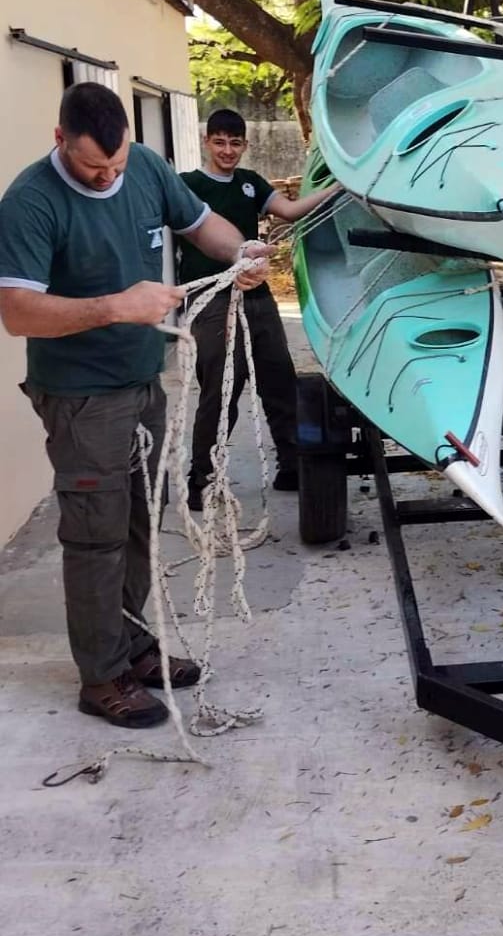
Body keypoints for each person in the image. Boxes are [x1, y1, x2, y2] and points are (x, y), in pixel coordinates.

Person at [0, 83, 272, 729]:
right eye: (96, 167)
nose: (109, 176)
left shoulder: (145, 165)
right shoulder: (30, 202)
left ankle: (132, 646)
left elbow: (201, 224)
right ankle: (101, 676)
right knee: (94, 535)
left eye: (116, 164)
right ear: (59, 138)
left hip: (143, 381)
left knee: (138, 522)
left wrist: (240, 253)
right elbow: (14, 311)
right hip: (81, 397)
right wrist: (118, 305)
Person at [177, 108, 337, 511]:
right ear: (206, 142)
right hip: (212, 299)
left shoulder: (250, 184)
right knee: (222, 388)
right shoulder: (187, 187)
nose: (227, 150)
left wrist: (338, 189)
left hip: (257, 296)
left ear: (244, 145)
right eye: (219, 142)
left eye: (235, 143)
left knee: (279, 380)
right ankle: (202, 478)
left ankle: (291, 465)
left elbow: (291, 211)